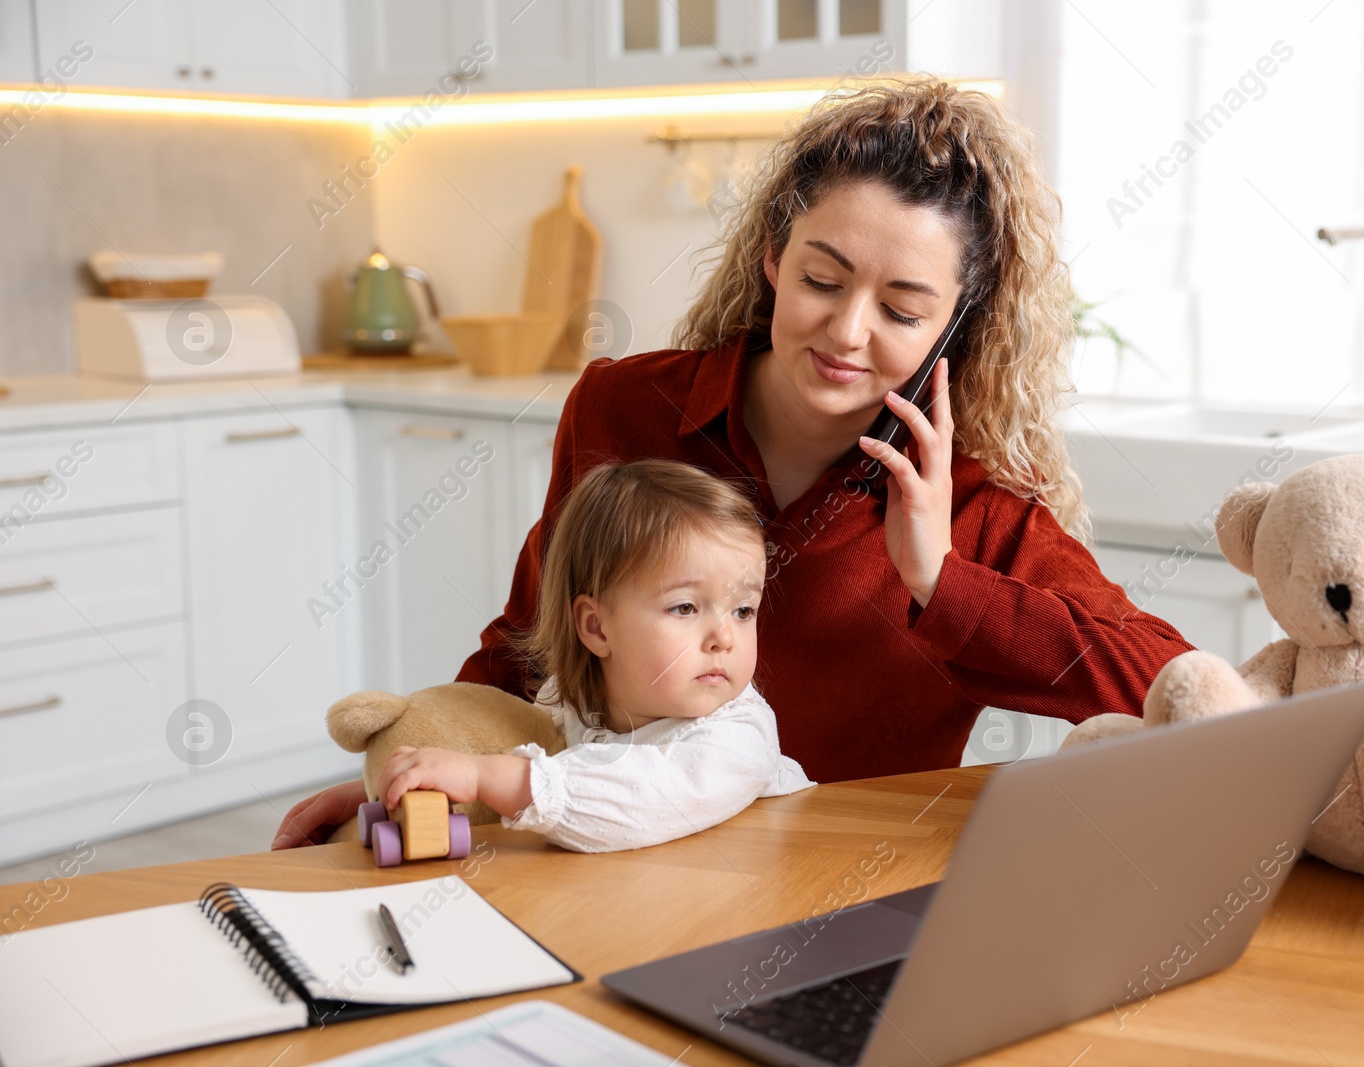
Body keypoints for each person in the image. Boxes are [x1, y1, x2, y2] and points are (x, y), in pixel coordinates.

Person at [274, 75, 1193, 849]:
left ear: (956, 327)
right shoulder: (626, 408)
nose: (846, 330)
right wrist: (419, 777)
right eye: (822, 280)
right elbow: (530, 644)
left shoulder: (972, 506)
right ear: (772, 258)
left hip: (838, 901)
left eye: (903, 310)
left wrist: (937, 580)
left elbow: (1172, 688)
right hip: (600, 860)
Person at [375, 459, 814, 853]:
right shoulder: (566, 703)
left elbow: (641, 799)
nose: (724, 637)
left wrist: (483, 777)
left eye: (743, 610)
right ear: (596, 627)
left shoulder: (739, 736)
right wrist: (396, 791)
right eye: (685, 607)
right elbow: (502, 755)